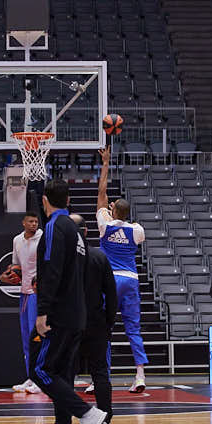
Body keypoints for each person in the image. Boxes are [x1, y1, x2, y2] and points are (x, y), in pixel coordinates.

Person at [27, 179, 107, 424]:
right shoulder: (76, 230)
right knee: (61, 373)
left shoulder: (54, 227)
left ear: (45, 201)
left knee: (38, 370)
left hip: (58, 314)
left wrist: (42, 311)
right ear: (68, 200)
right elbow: (81, 274)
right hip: (77, 313)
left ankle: (86, 413)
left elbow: (52, 272)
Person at [96, 146, 149, 392]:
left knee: (103, 329)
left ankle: (102, 376)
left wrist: (105, 163)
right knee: (133, 329)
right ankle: (140, 375)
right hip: (131, 279)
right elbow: (129, 226)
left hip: (110, 280)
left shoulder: (105, 225)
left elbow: (101, 192)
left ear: (113, 210)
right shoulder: (137, 230)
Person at [70, 213, 119, 424]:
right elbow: (111, 293)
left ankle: (65, 423)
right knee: (100, 373)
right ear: (86, 231)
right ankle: (105, 423)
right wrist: (109, 322)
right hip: (96, 323)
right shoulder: (100, 256)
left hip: (69, 324)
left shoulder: (61, 258)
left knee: (65, 375)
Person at [11, 212, 43, 394]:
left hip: (38, 293)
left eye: (36, 221)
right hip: (23, 293)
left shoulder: (43, 238)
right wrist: (8, 275)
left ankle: (40, 379)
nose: (34, 224)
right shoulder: (17, 240)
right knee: (26, 338)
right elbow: (15, 266)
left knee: (37, 337)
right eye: (30, 221)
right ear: (23, 223)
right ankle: (31, 376)